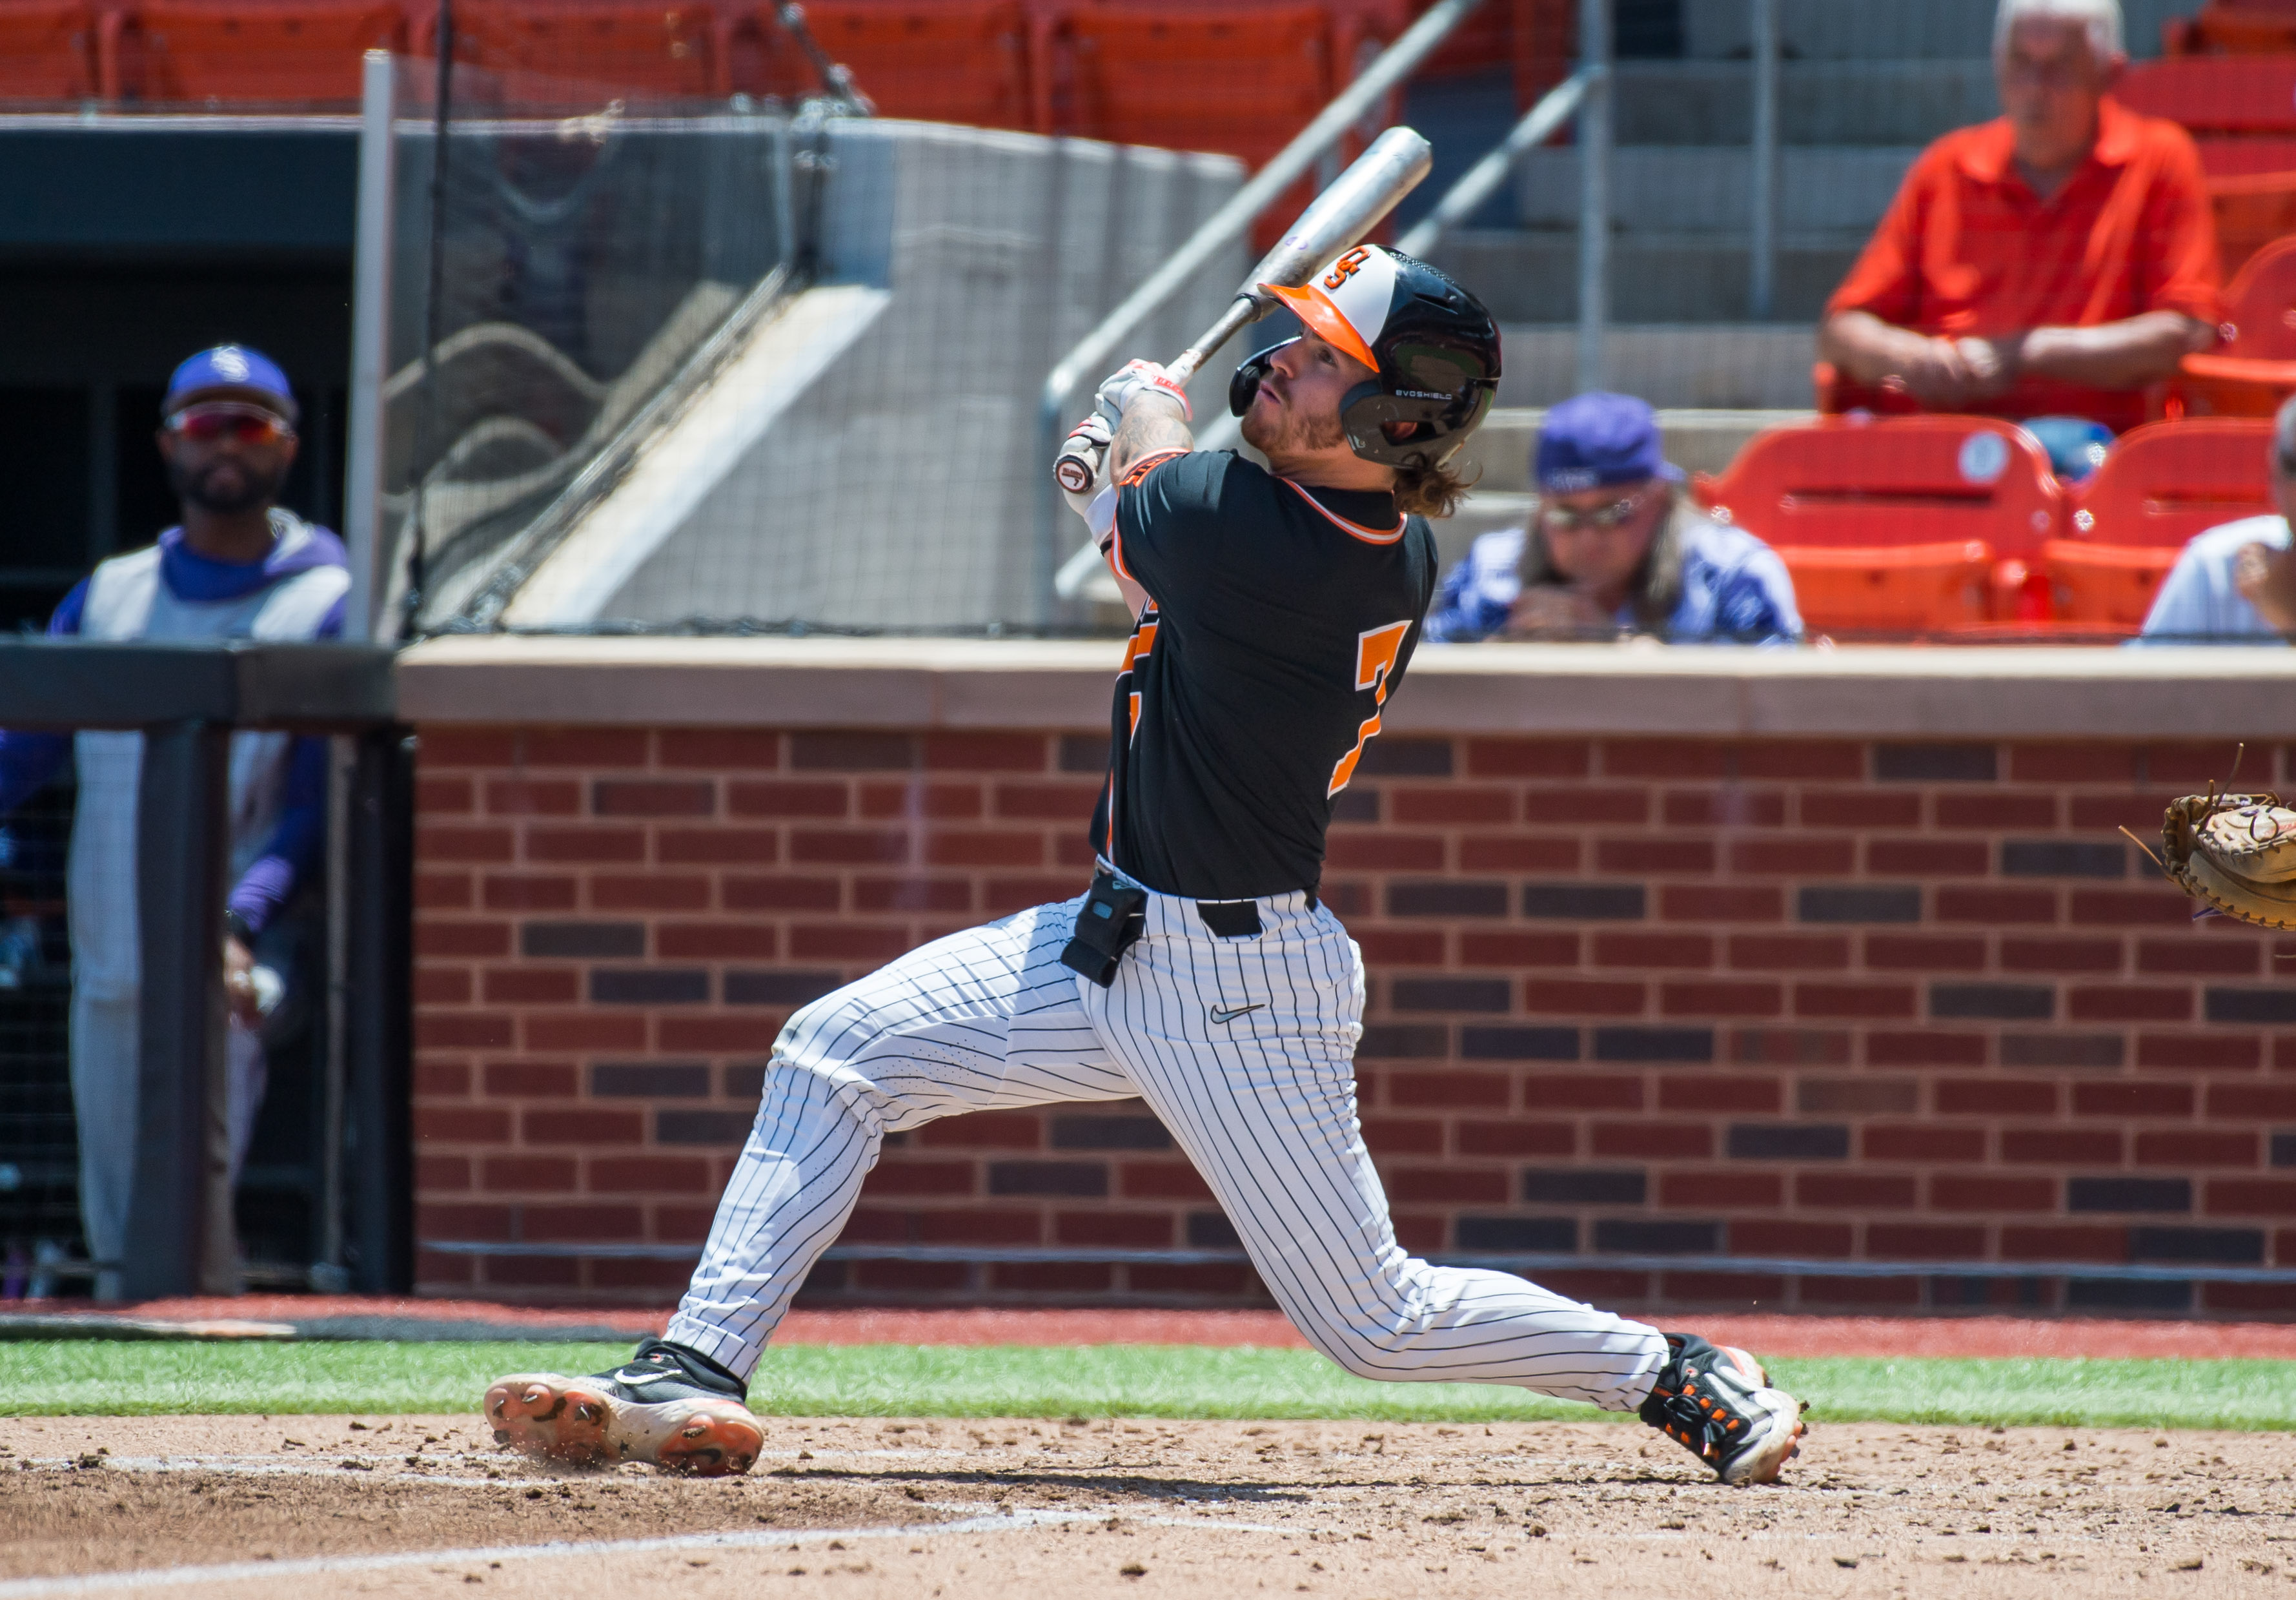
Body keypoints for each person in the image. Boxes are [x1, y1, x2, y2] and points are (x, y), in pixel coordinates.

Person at [483, 246, 1807, 1487]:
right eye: (1290, 336)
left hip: (1234, 987)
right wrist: (1122, 483)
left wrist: (1135, 406)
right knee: (836, 1054)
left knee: (1375, 1320)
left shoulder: (1265, 529)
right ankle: (692, 1366)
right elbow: (1153, 561)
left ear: (1400, 416)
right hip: (1111, 937)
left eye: (1322, 357)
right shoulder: (1315, 533)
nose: (1284, 357)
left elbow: (1154, 500)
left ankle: (1677, 1372)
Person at [0, 345, 349, 1298]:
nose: (225, 443)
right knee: (119, 1212)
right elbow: (24, 750)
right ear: (167, 442)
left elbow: (318, 807)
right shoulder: (109, 592)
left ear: (287, 444)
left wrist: (240, 921)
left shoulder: (328, 594)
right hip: (113, 947)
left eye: (248, 424)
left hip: (246, 948)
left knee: (205, 1202)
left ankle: (223, 1359)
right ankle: (140, 1399)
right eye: (205, 424)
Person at [1818, 0, 2220, 446]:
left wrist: (2029, 354)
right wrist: (1914, 357)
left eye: (2058, 68)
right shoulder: (1944, 166)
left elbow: (2187, 331)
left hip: (2091, 452)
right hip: (1936, 440)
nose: (2034, 88)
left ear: (2109, 72)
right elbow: (1843, 328)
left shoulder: (2160, 160)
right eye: (2019, 63)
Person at [1424, 393, 1802, 643]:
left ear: (1660, 499)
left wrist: (1617, 653)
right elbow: (1412, 695)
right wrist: (1499, 661)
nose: (1588, 538)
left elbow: (1781, 717)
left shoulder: (1733, 575)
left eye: (1611, 514)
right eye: (1565, 515)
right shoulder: (1492, 572)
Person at [2137, 395, 2296, 641]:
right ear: (2274, 470)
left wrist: (2290, 620)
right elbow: (2144, 676)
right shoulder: (2215, 567)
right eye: (2295, 465)